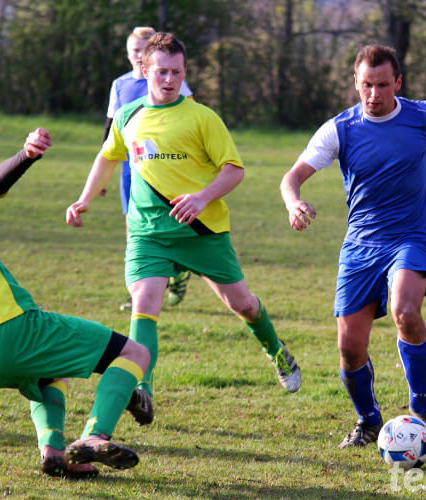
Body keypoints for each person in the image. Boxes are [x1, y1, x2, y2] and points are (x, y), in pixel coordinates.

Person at [66, 32, 302, 425]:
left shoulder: (201, 117)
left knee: (241, 304)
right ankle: (143, 389)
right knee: (144, 304)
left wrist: (201, 197)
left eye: (176, 72)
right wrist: (85, 198)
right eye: (161, 72)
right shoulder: (128, 115)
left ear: (185, 72)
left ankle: (276, 350)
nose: (169, 79)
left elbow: (234, 170)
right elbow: (107, 156)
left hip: (202, 231)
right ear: (144, 70)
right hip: (149, 233)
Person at [280, 44, 426, 451]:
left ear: (397, 82)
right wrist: (294, 202)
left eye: (382, 85)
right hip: (361, 244)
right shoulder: (339, 129)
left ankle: (423, 409)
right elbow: (291, 177)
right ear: (355, 83)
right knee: (349, 347)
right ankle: (368, 421)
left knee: (405, 310)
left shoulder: (422, 115)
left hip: (412, 236)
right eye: (366, 85)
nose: (374, 94)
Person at [0, 130, 151, 479]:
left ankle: (53, 452)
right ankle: (95, 436)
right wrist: (27, 155)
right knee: (134, 354)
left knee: (48, 372)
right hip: (9, 329)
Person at [104, 26, 194, 311]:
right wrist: (102, 172)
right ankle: (139, 295)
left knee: (168, 228)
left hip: (165, 168)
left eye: (140, 52)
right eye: (132, 51)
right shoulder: (120, 85)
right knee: (134, 231)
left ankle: (178, 272)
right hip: (131, 169)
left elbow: (189, 115)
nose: (136, 57)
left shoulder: (167, 77)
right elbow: (110, 130)